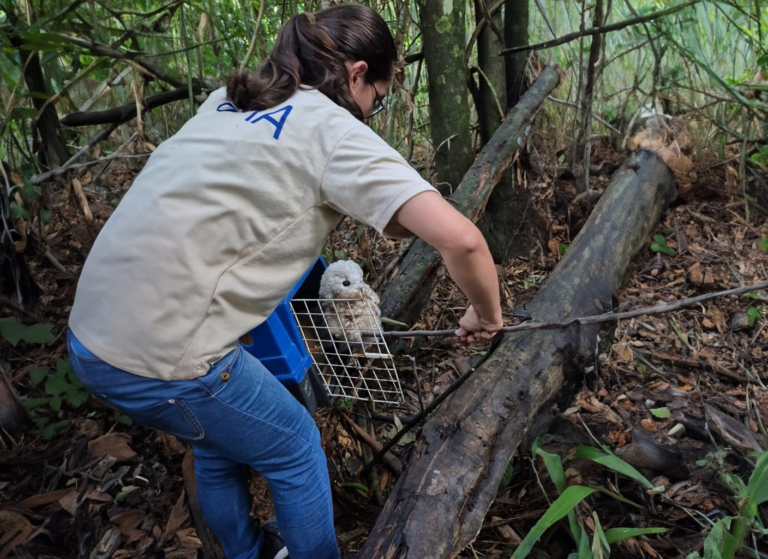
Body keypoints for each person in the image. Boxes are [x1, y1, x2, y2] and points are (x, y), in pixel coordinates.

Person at [66, 4, 502, 559]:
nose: (372, 111)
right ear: (357, 74)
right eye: (380, 97)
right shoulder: (333, 131)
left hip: (92, 338)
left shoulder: (231, 101)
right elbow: (462, 239)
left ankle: (249, 552)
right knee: (295, 445)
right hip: (161, 359)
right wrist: (486, 315)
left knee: (217, 445)